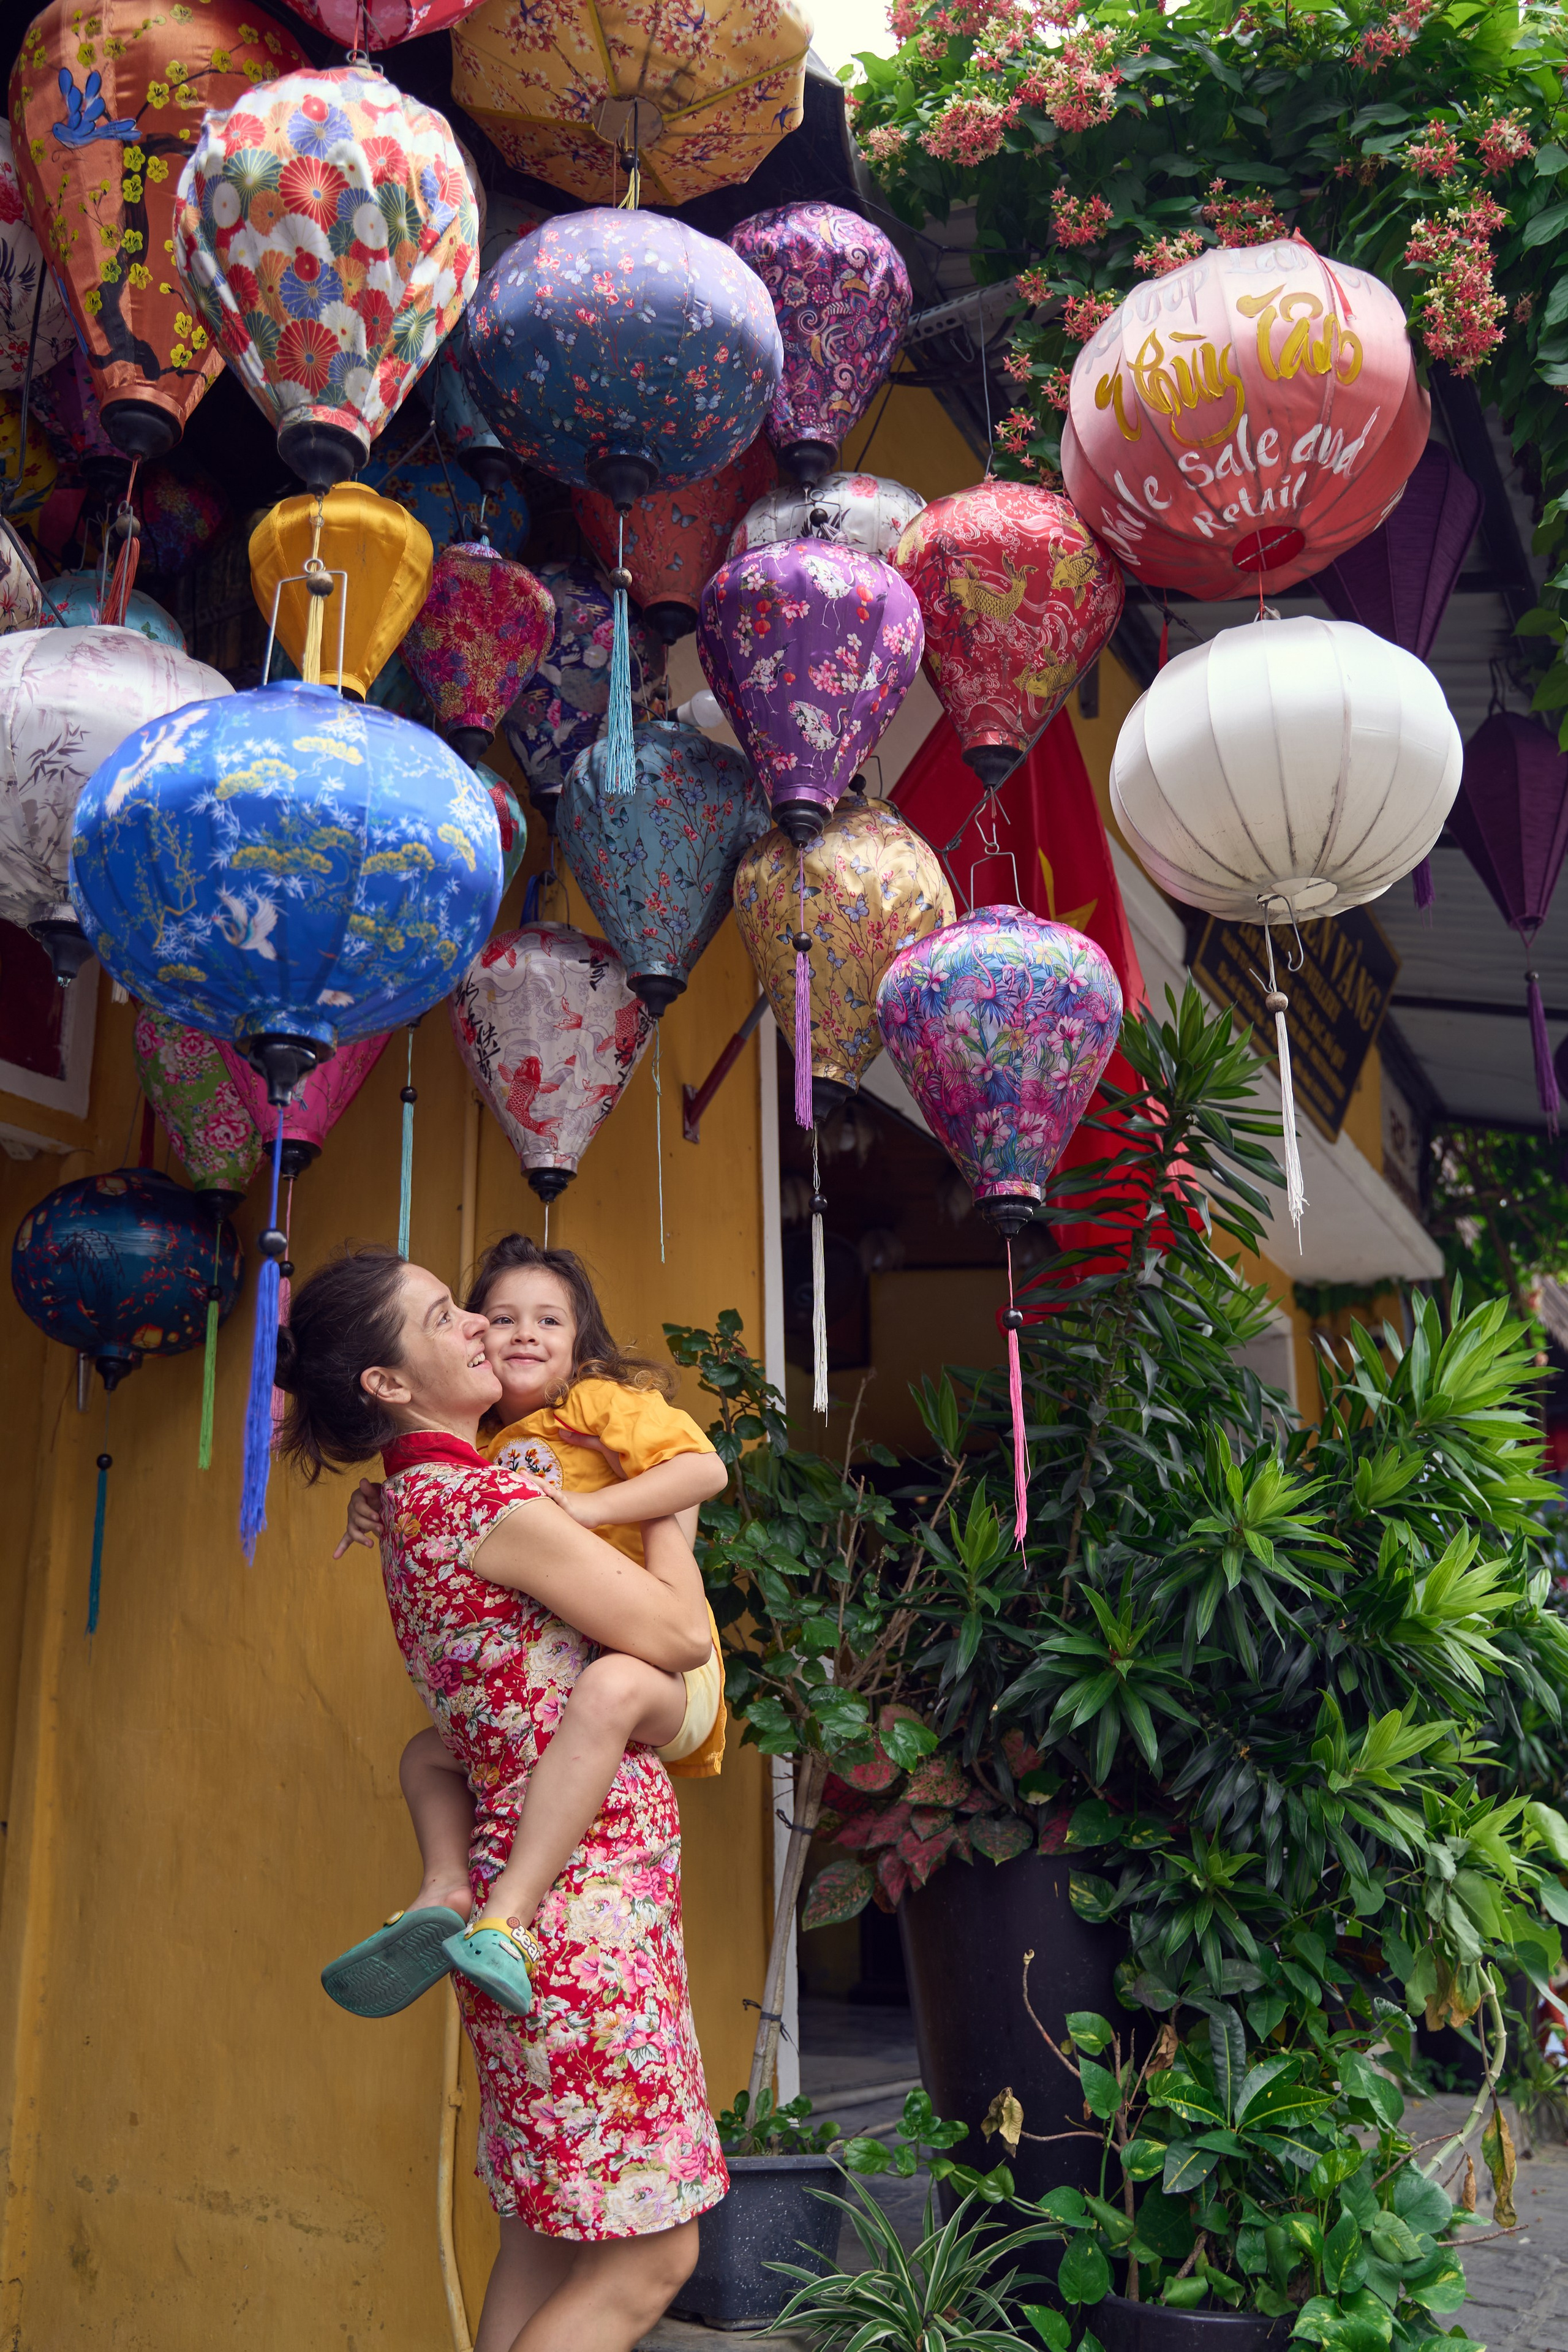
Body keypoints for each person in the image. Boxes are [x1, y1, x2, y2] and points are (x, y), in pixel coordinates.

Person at [276, 1246, 725, 2350]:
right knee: (655, 2256)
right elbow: (679, 1638)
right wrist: (668, 1492)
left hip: (516, 1911)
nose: (480, 1327)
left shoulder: (415, 1506)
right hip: (581, 1918)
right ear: (387, 1383)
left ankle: (445, 1890)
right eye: (446, 1318)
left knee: (541, 2234)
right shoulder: (491, 1503)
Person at [326, 1237, 729, 2016]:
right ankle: (443, 1888)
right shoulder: (478, 1456)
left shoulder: (598, 1406)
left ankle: (504, 1914)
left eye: (549, 1320)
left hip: (671, 1675)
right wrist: (371, 1500)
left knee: (610, 1687)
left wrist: (598, 1505)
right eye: (498, 1316)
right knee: (426, 1758)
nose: (519, 1334)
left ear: (582, 1345)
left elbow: (702, 1473)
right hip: (589, 1676)